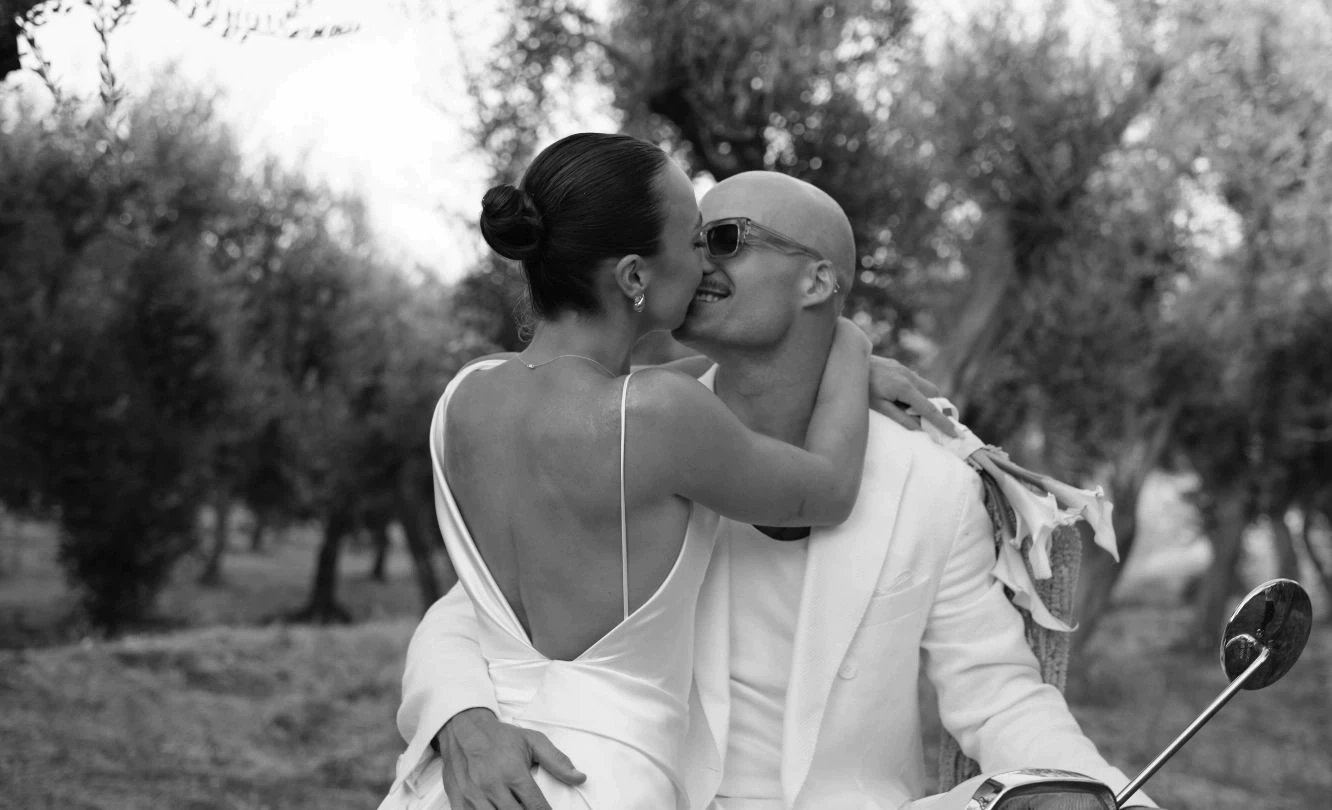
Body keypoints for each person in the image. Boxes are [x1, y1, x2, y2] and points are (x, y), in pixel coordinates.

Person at [393, 171, 1164, 810]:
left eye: (722, 238)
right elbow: (475, 611)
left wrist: (1086, 788)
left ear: (818, 279)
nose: (698, 262)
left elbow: (996, 692)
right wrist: (460, 717)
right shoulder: (645, 438)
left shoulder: (929, 484)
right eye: (692, 239)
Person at [378, 134, 881, 810]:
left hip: (462, 782)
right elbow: (829, 489)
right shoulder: (660, 415)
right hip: (594, 781)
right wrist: (848, 344)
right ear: (635, 277)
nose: (705, 261)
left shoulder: (467, 396)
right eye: (695, 241)